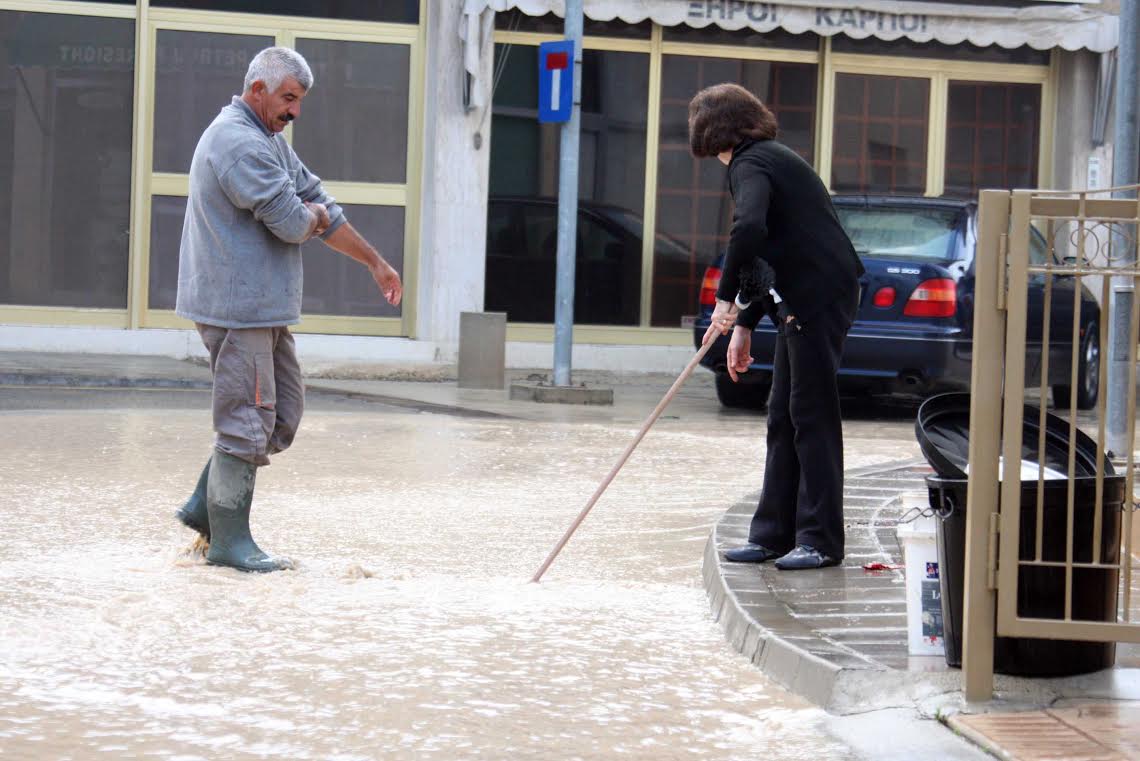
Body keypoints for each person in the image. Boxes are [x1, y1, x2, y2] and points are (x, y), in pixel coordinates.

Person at [173, 47, 403, 572]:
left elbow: (317, 203)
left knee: (281, 417)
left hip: (263, 309)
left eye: (299, 101)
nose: (295, 111)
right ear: (258, 90)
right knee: (247, 420)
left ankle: (201, 510)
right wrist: (313, 214)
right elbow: (294, 222)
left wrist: (376, 263)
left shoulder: (268, 140)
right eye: (289, 99)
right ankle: (230, 543)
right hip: (237, 309)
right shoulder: (236, 142)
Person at [691, 83, 864, 570]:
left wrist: (724, 300)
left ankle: (821, 541)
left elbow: (748, 231)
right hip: (795, 300)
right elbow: (768, 249)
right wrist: (743, 323)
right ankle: (773, 535)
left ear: (713, 130)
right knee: (782, 415)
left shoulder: (752, 162)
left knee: (811, 415)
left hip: (820, 296)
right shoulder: (764, 160)